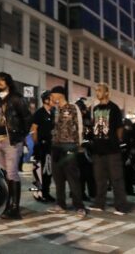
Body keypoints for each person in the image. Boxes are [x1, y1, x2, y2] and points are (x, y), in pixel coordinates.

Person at [0, 72, 31, 220]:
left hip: (11, 141)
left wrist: (20, 136)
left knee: (12, 173)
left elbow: (27, 118)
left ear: (8, 82)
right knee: (5, 174)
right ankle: (9, 204)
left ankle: (15, 209)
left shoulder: (16, 98)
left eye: (2, 80)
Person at [87, 82, 129, 215]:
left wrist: (115, 141)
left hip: (112, 150)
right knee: (100, 179)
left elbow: (119, 128)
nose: (97, 93)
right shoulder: (95, 109)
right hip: (98, 149)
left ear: (106, 93)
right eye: (96, 90)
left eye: (99, 90)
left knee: (116, 178)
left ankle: (121, 206)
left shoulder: (114, 108)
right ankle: (99, 203)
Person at [46, 86, 86, 218]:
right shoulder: (55, 110)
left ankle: (79, 206)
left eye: (52, 95)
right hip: (56, 146)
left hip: (69, 146)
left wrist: (79, 144)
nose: (51, 98)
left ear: (60, 95)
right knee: (58, 177)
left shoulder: (73, 107)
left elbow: (79, 125)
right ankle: (60, 204)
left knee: (72, 177)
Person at [30, 90, 55, 202]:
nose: (54, 100)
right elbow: (33, 130)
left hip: (50, 146)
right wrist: (36, 144)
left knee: (48, 172)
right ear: (46, 100)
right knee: (38, 171)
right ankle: (37, 193)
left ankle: (46, 192)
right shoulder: (39, 113)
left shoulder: (53, 113)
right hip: (41, 146)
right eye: (51, 98)